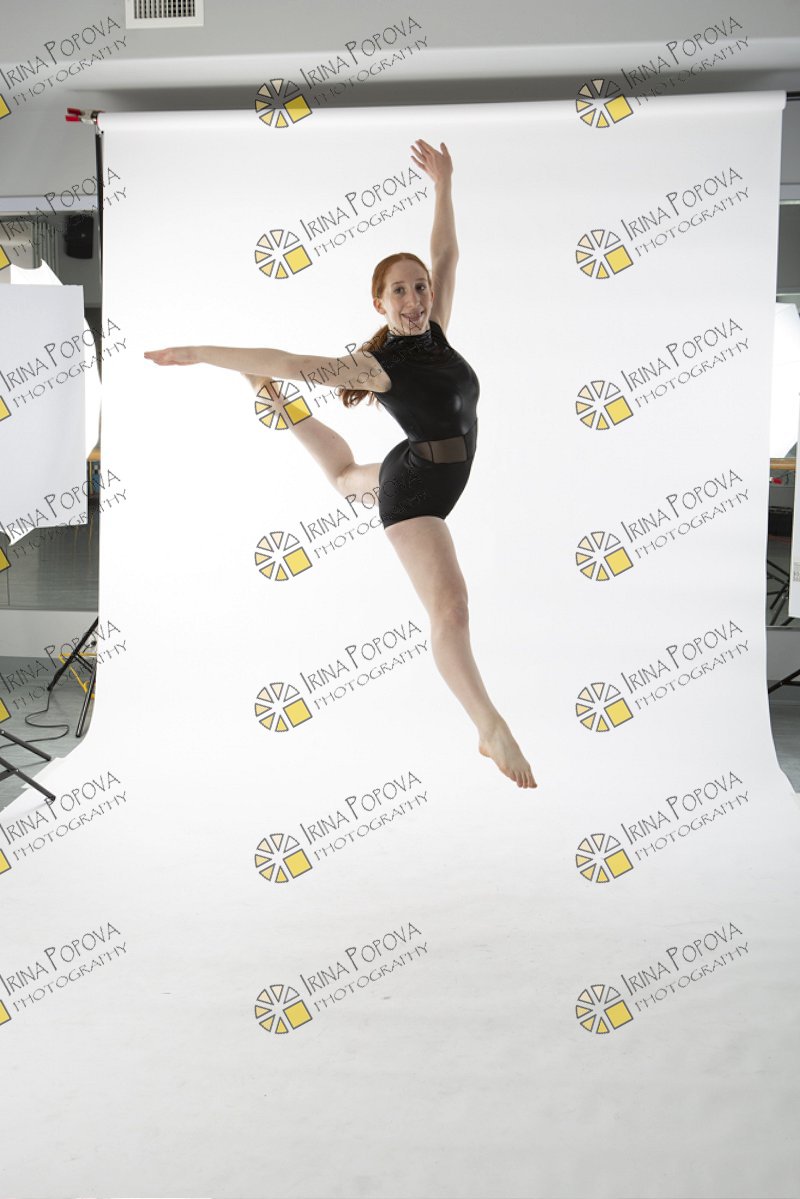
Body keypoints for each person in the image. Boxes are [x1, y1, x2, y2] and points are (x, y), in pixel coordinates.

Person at [145, 139, 536, 789]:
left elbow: (446, 253)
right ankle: (489, 727)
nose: (414, 298)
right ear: (379, 303)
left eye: (419, 287)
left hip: (417, 462)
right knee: (451, 610)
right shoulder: (377, 366)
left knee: (347, 476)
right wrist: (201, 352)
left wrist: (443, 184)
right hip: (419, 494)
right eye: (399, 292)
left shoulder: (436, 329)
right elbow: (291, 360)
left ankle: (272, 404)